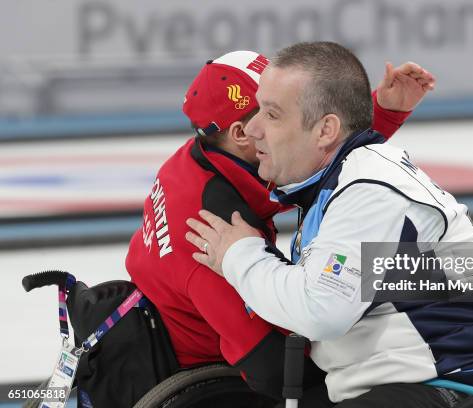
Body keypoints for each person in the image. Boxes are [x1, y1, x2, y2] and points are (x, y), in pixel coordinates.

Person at [185, 42, 473, 407]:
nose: (254, 130)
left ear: (326, 130)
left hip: (462, 382)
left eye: (272, 114)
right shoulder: (335, 181)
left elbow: (320, 311)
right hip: (409, 379)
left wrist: (240, 255)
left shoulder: (371, 192)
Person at [125, 49, 436, 400]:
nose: (271, 122)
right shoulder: (208, 230)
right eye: (272, 112)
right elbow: (270, 367)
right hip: (207, 385)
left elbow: (317, 149)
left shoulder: (215, 156)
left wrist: (384, 111)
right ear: (245, 133)